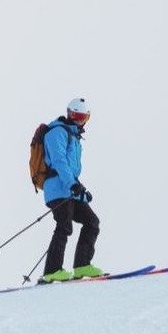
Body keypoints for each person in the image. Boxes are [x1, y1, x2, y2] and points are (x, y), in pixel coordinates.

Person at [38, 98, 102, 283]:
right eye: (76, 116)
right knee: (64, 226)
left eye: (83, 117)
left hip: (69, 188)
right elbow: (59, 162)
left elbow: (72, 170)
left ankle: (82, 266)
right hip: (57, 189)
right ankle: (52, 271)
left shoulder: (74, 138)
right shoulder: (57, 132)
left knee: (92, 222)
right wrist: (73, 185)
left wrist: (80, 190)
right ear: (69, 113)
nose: (79, 120)